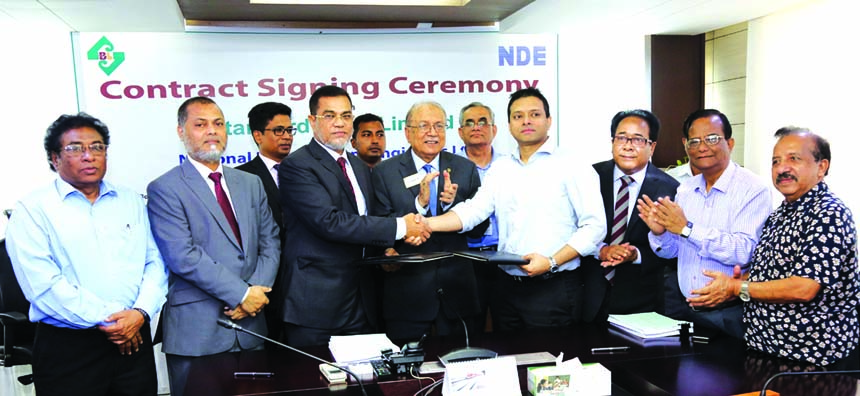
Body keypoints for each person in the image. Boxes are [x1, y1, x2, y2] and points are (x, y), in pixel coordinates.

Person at [5, 113, 168, 396]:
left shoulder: (131, 201)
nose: (89, 156)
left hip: (134, 339)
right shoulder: (33, 210)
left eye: (97, 147)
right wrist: (114, 321)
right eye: (75, 148)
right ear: (54, 158)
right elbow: (44, 285)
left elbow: (155, 263)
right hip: (70, 346)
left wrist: (140, 313)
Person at [425, 88, 606, 332]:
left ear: (549, 121)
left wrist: (552, 261)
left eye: (534, 114)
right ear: (509, 125)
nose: (526, 121)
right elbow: (473, 211)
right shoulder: (501, 168)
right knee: (511, 364)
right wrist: (425, 223)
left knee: (548, 367)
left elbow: (595, 227)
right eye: (518, 116)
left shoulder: (572, 164)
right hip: (506, 288)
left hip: (553, 287)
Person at [689, 127, 858, 369]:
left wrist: (737, 287)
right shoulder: (781, 214)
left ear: (822, 167)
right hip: (766, 351)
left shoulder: (828, 213)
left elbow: (804, 287)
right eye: (775, 161)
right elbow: (772, 275)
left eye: (794, 159)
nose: (782, 168)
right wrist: (733, 283)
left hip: (812, 359)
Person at [146, 97, 281, 396]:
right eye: (201, 124)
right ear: (181, 132)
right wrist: (241, 294)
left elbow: (270, 240)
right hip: (198, 334)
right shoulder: (165, 188)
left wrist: (256, 293)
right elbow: (183, 256)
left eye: (218, 123)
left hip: (252, 327)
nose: (212, 131)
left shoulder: (250, 183)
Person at [278, 85, 430, 347]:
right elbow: (330, 222)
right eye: (330, 116)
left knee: (366, 384)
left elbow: (367, 220)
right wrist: (401, 227)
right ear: (312, 121)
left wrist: (387, 250)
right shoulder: (297, 165)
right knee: (318, 385)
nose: (340, 123)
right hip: (317, 304)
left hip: (363, 300)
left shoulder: (359, 166)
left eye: (346, 116)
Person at [636, 109, 771, 339]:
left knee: (730, 374)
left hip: (728, 312)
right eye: (694, 141)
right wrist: (660, 233)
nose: (702, 147)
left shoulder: (753, 189)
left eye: (712, 139)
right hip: (683, 309)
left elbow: (745, 251)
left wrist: (687, 229)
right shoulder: (685, 189)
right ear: (685, 144)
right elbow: (673, 252)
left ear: (730, 142)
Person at [371, 101, 484, 340]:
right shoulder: (385, 172)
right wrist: (418, 206)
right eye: (424, 126)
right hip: (408, 292)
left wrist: (450, 205)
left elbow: (479, 229)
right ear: (407, 132)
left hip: (457, 291)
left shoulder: (465, 168)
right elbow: (379, 225)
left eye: (439, 126)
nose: (433, 133)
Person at [581, 109, 679, 323]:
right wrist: (601, 250)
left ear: (652, 146)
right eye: (622, 137)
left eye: (637, 139)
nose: (628, 145)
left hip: (641, 301)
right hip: (585, 294)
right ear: (612, 141)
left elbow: (675, 251)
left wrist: (636, 254)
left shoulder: (670, 189)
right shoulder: (589, 177)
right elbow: (570, 227)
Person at [235, 101, 293, 340]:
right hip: (264, 284)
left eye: (290, 130)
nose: (286, 137)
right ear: (257, 135)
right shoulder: (240, 177)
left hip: (304, 282)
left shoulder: (306, 171)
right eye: (278, 130)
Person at [456, 102, 503, 331]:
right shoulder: (450, 169)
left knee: (507, 325)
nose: (477, 127)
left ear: (494, 130)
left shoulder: (509, 167)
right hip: (466, 258)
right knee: (469, 327)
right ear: (460, 132)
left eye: (483, 122)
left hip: (505, 258)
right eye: (470, 123)